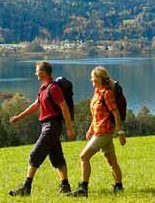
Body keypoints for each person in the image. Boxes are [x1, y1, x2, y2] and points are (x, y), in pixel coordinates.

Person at [8, 61, 76, 197]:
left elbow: (64, 108)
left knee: (34, 155)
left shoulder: (54, 88)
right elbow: (35, 105)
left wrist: (69, 129)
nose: (35, 73)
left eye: (37, 71)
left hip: (52, 126)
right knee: (57, 156)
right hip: (48, 126)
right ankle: (65, 186)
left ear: (43, 72)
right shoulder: (43, 89)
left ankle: (26, 187)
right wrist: (19, 117)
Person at [69, 66, 126, 197]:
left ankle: (83, 188)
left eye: (94, 80)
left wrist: (120, 134)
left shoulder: (107, 93)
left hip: (104, 132)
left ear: (101, 79)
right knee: (112, 162)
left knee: (84, 156)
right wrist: (90, 129)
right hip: (98, 130)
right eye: (92, 80)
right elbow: (96, 114)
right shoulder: (97, 92)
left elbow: (116, 113)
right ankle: (119, 187)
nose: (92, 82)